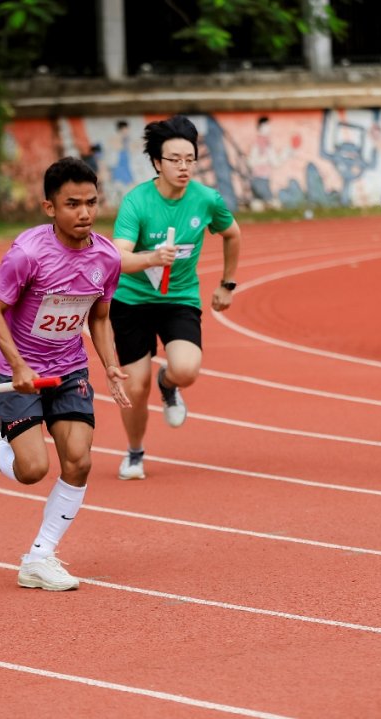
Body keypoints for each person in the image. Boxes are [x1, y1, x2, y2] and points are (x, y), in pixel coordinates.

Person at [0, 157, 131, 591]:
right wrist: (18, 364)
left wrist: (110, 365)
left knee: (80, 459)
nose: (85, 213)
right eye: (72, 204)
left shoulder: (107, 258)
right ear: (50, 207)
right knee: (33, 469)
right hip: (17, 373)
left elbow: (99, 317)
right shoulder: (28, 255)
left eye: (91, 202)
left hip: (70, 369)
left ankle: (39, 557)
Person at [110, 114, 243, 480]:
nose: (184, 167)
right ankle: (135, 452)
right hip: (132, 301)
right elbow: (118, 258)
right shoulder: (137, 202)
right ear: (157, 162)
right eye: (175, 160)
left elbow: (233, 234)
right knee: (134, 386)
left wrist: (226, 284)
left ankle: (167, 385)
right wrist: (150, 258)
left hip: (179, 298)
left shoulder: (206, 200)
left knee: (186, 369)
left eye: (190, 159)